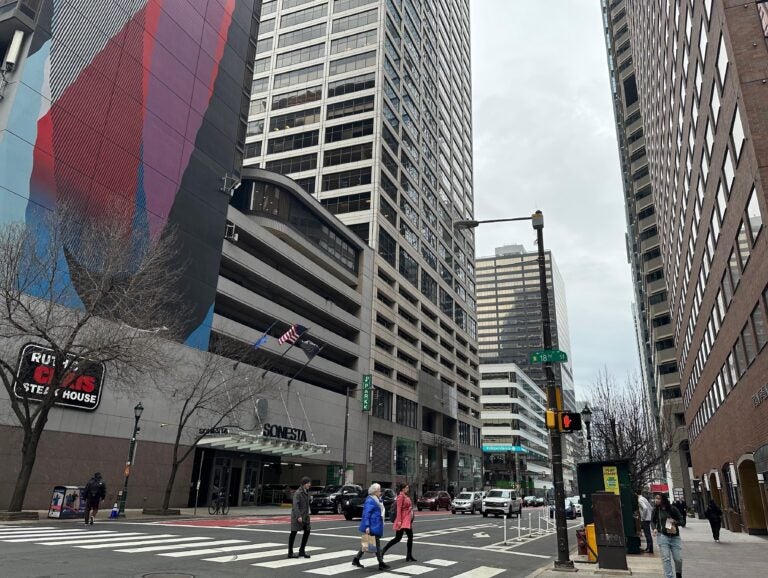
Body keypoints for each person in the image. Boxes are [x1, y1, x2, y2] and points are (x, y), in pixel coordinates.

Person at [352, 483, 390, 570]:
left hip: (376, 524)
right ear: (375, 491)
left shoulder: (377, 499)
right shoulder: (370, 500)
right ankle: (381, 563)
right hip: (372, 525)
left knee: (367, 544)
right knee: (376, 545)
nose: (380, 492)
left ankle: (356, 559)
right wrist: (367, 526)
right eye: (379, 490)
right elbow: (366, 514)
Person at [652, 493, 684, 578]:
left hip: (674, 537)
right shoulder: (656, 510)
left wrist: (675, 521)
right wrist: (654, 528)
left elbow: (682, 521)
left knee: (678, 559)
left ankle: (678, 573)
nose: (656, 500)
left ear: (663, 500)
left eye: (658, 499)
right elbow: (652, 521)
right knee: (666, 558)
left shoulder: (672, 509)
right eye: (656, 498)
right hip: (662, 537)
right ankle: (669, 576)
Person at [381, 484, 416, 562]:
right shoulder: (400, 496)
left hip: (407, 520)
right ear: (402, 489)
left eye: (408, 487)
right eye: (406, 487)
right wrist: (399, 521)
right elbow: (399, 509)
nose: (408, 488)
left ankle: (409, 555)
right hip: (403, 520)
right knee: (398, 538)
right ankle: (383, 551)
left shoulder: (406, 496)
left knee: (410, 537)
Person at [288, 477, 312, 559]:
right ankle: (290, 552)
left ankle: (302, 550)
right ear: (304, 484)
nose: (310, 485)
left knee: (307, 531)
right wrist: (298, 516)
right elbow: (295, 506)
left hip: (305, 516)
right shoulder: (298, 493)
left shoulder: (307, 492)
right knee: (293, 532)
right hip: (298, 516)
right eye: (308, 483)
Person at [636, 490, 653, 554]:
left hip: (645, 519)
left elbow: (645, 508)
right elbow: (650, 507)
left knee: (647, 534)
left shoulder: (640, 500)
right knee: (648, 534)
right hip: (648, 518)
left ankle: (649, 548)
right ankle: (650, 548)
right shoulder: (644, 498)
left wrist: (643, 517)